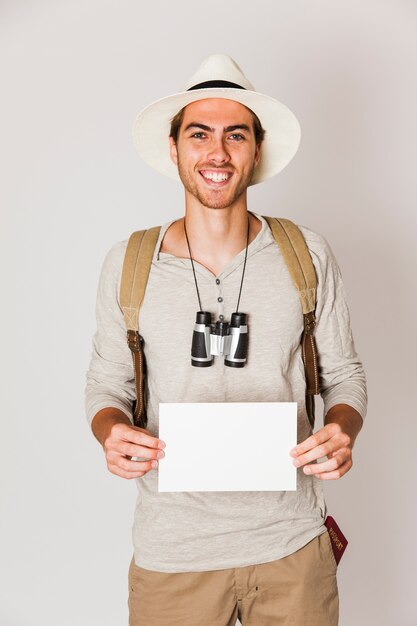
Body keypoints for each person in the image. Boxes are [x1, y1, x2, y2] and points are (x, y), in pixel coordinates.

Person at [84, 54, 367, 626]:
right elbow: (104, 384)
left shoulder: (304, 254)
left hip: (292, 547)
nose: (218, 153)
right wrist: (111, 433)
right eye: (200, 134)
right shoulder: (129, 263)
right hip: (174, 554)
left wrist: (342, 430)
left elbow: (346, 377)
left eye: (235, 135)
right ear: (175, 150)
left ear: (256, 151)